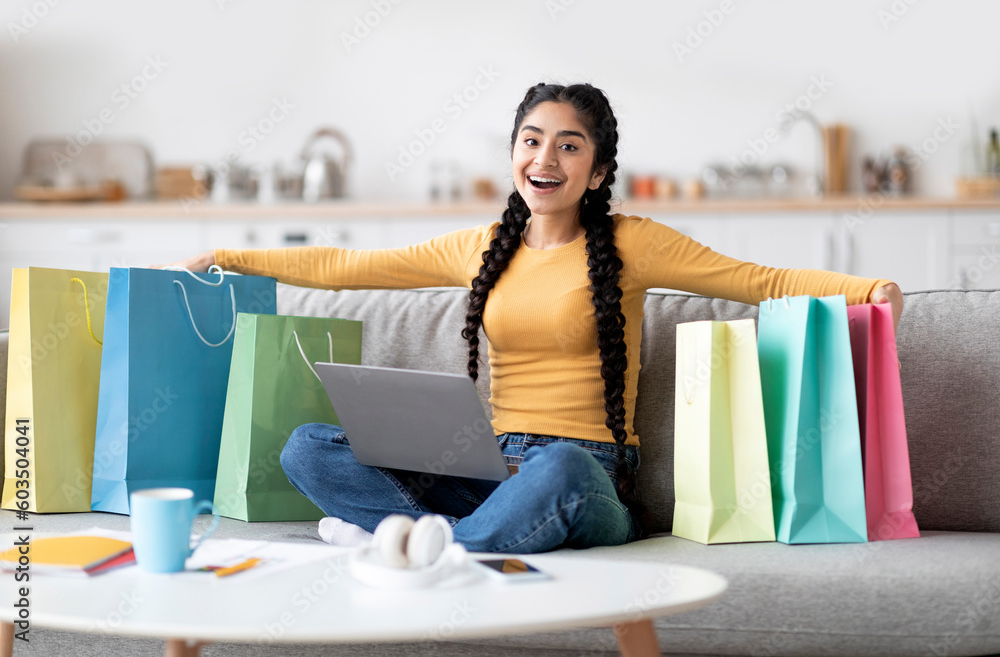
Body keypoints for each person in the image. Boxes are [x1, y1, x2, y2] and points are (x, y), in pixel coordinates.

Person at [166, 82, 903, 554]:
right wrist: (232, 255)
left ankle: (419, 545)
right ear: (515, 154)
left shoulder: (634, 243)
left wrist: (870, 287)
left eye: (568, 145)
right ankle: (452, 540)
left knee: (559, 465)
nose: (545, 157)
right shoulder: (481, 247)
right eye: (531, 140)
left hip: (587, 477)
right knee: (308, 448)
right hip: (487, 470)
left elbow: (757, 280)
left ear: (598, 171)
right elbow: (349, 267)